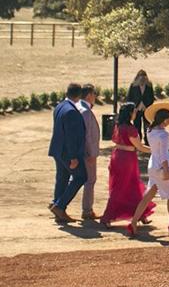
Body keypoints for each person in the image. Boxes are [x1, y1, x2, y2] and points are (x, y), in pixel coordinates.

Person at [130, 104, 169, 238]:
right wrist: (166, 170)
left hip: (153, 165)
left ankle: (134, 221)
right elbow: (164, 154)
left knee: (149, 195)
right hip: (161, 166)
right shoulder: (163, 134)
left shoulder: (151, 130)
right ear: (165, 120)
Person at [100, 104, 154, 227]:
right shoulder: (130, 129)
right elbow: (139, 146)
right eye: (134, 111)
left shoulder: (118, 126)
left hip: (117, 156)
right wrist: (156, 150)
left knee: (128, 186)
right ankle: (107, 217)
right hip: (127, 159)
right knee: (126, 186)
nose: (136, 113)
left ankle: (140, 214)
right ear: (130, 113)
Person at [48, 83, 87, 223]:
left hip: (57, 149)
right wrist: (73, 157)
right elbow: (71, 137)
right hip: (67, 152)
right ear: (79, 95)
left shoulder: (60, 106)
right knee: (81, 177)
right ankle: (60, 205)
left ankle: (56, 205)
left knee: (62, 177)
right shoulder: (71, 111)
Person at [79, 84, 102, 220]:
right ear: (89, 95)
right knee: (90, 180)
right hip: (88, 153)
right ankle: (87, 210)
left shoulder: (81, 108)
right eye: (94, 94)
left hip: (81, 151)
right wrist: (92, 153)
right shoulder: (86, 111)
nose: (95, 97)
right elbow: (88, 135)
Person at [125, 70, 155, 141]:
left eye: (144, 76)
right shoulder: (133, 86)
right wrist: (133, 108)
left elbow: (152, 97)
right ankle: (138, 141)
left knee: (147, 126)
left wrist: (148, 106)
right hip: (136, 110)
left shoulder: (149, 86)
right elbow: (129, 97)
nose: (142, 78)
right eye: (140, 76)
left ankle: (147, 141)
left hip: (146, 109)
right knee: (137, 126)